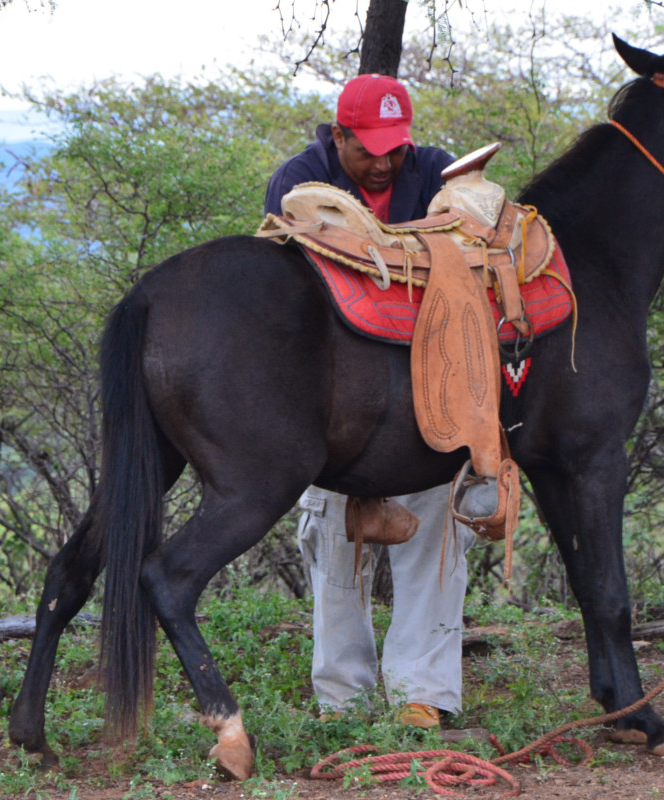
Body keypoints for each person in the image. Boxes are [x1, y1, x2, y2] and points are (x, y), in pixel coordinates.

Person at [264, 73, 474, 730]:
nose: (383, 162)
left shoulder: (436, 170)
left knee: (437, 536)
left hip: (424, 394)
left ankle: (423, 693)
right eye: (368, 149)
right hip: (332, 403)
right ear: (339, 135)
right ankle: (344, 699)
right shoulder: (296, 181)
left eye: (394, 147)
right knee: (334, 548)